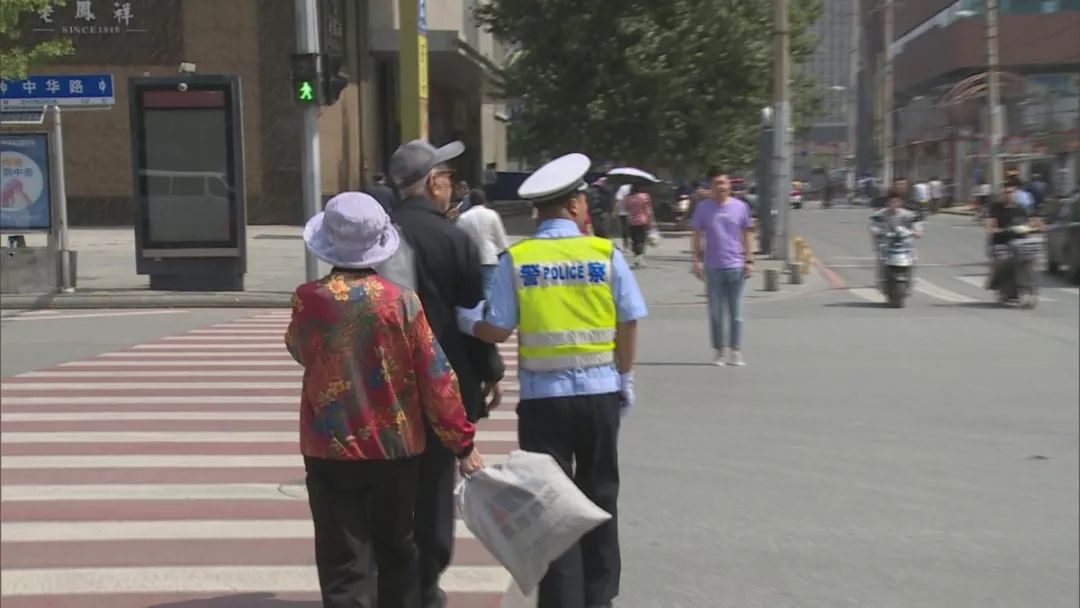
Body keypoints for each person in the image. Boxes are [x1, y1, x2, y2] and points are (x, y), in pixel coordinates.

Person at [458, 152, 647, 608]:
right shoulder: (604, 253)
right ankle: (599, 596)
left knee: (550, 505)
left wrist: (465, 321)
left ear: (537, 211)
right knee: (602, 493)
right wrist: (625, 377)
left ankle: (563, 600)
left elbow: (498, 328)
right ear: (576, 205)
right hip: (600, 395)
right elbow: (629, 320)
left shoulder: (519, 258)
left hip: (544, 403)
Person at [286, 192, 484, 608]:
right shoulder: (401, 301)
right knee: (396, 551)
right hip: (393, 448)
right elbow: (436, 378)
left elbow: (300, 349)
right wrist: (462, 443)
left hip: (329, 447)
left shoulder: (308, 299)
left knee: (342, 562)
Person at [384, 139, 505, 608]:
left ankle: (392, 583)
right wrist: (490, 370)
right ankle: (426, 586)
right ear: (433, 183)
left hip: (385, 385)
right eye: (449, 176)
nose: (452, 185)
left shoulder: (379, 235)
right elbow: (471, 317)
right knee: (435, 487)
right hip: (443, 384)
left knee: (390, 485)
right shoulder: (454, 239)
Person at [691, 170, 754, 367]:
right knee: (716, 313)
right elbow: (697, 235)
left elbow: (748, 233)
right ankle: (719, 351)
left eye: (724, 183)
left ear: (729, 185)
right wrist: (697, 260)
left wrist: (749, 260)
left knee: (737, 313)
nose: (721, 187)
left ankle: (736, 350)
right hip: (713, 267)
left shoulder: (740, 207)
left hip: (736, 265)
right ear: (711, 186)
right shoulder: (703, 208)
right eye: (717, 183)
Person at [985, 178, 1044, 289]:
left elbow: (1034, 220)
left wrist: (1038, 227)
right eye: (1007, 192)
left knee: (1030, 259)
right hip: (1001, 242)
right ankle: (995, 281)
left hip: (1020, 243)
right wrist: (996, 229)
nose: (1010, 195)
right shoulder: (996, 208)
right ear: (1002, 194)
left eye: (1012, 192)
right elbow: (990, 224)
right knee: (1000, 261)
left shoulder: (1022, 208)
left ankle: (1029, 283)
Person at [456, 188, 510, 302]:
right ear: (484, 200)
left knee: (474, 290)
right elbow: (500, 238)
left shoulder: (463, 217)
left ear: (470, 201)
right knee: (488, 287)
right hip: (489, 257)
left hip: (471, 260)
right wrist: (505, 251)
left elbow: (458, 239)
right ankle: (488, 310)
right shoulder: (492, 215)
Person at [869, 189, 924, 286]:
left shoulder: (907, 214)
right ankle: (881, 280)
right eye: (892, 202)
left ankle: (910, 278)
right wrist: (877, 232)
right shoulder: (880, 214)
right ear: (887, 203)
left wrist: (917, 231)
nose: (894, 205)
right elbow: (874, 225)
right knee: (881, 257)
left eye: (896, 202)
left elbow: (916, 224)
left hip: (904, 243)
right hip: (887, 241)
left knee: (914, 256)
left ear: (900, 202)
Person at [623, 184, 654, 268]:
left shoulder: (627, 198)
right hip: (642, 220)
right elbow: (648, 209)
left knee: (634, 240)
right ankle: (640, 257)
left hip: (631, 221)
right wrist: (651, 220)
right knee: (642, 240)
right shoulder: (644, 196)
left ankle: (636, 256)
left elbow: (626, 209)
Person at [614, 182, 631, 251]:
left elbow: (618, 200)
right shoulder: (635, 187)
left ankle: (626, 246)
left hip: (623, 212)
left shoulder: (622, 188)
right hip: (634, 213)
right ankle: (635, 245)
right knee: (633, 229)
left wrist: (615, 211)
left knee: (625, 230)